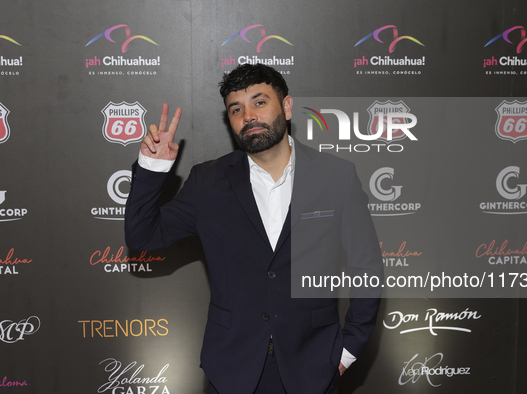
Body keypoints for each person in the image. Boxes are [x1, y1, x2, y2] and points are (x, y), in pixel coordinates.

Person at [125, 64, 383, 394]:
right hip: (233, 368)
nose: (248, 116)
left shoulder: (336, 176)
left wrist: (348, 349)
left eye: (259, 102)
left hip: (314, 365)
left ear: (286, 107)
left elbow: (367, 266)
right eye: (237, 109)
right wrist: (152, 167)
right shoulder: (208, 182)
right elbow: (142, 236)